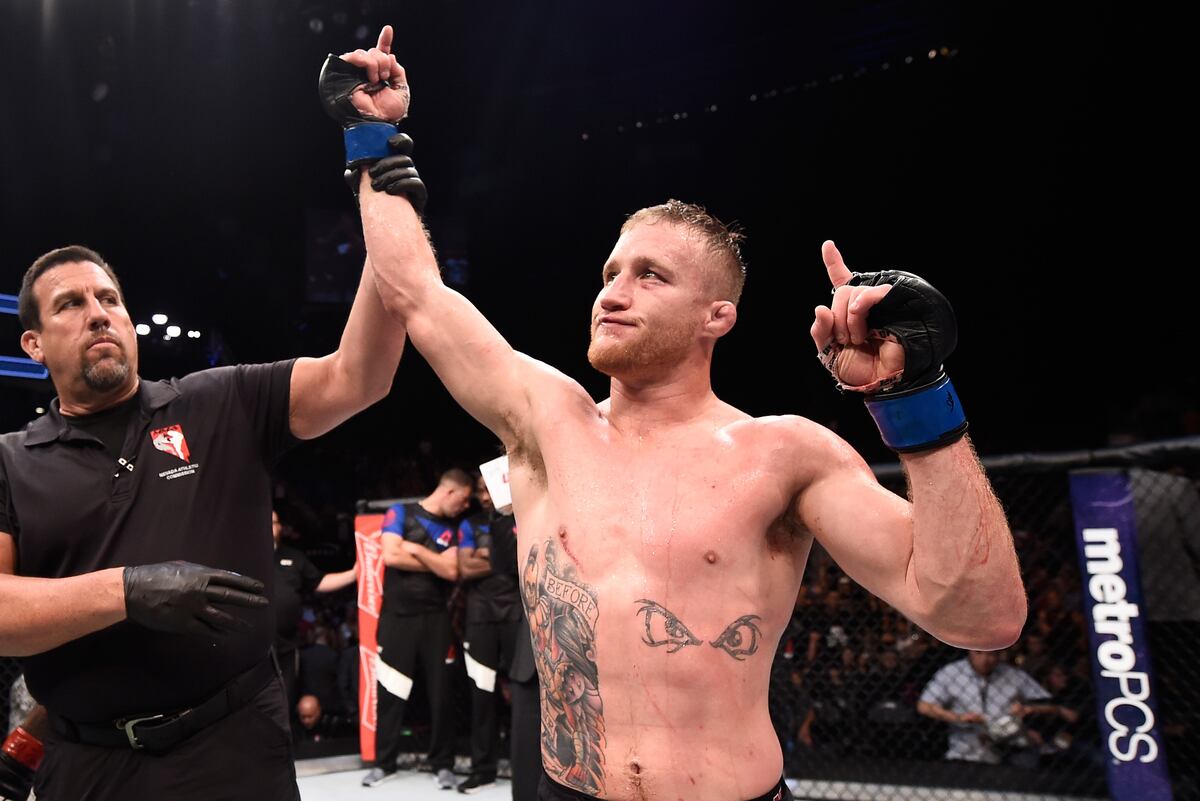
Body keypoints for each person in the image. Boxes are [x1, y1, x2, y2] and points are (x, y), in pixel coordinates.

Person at [323, 29, 1026, 801]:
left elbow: (981, 617)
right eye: (610, 272)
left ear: (717, 315)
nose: (613, 293)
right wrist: (369, 134)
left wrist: (915, 393)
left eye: (650, 275)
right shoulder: (546, 420)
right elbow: (416, 291)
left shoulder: (783, 453)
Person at [0, 143, 409, 801]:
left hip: (234, 746)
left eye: (109, 298)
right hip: (89, 765)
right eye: (70, 304)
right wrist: (130, 590)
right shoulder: (10, 459)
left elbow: (361, 375)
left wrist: (386, 205)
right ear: (33, 344)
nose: (98, 312)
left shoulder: (221, 400)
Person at [363, 468, 472, 789]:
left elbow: (451, 571)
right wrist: (434, 561)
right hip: (397, 616)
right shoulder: (401, 512)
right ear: (450, 492)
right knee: (390, 691)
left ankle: (443, 764)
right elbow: (392, 555)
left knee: (442, 694)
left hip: (436, 618)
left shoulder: (454, 527)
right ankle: (384, 764)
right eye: (464, 499)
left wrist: (417, 549)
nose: (466, 507)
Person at [457, 474, 522, 794]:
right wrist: (502, 558)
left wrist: (488, 556)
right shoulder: (469, 524)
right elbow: (465, 568)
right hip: (480, 615)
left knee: (523, 696)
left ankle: (527, 768)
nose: (484, 496)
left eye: (489, 489)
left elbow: (524, 562)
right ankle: (483, 770)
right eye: (480, 491)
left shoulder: (524, 518)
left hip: (516, 613)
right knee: (481, 694)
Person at [271, 508, 356, 717]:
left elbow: (319, 582)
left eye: (274, 522)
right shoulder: (244, 557)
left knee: (285, 699)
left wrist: (355, 574)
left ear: (281, 527)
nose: (270, 526)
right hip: (254, 645)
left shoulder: (294, 558)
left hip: (287, 644)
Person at [917, 649, 1050, 766]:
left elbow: (1048, 703)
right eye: (978, 653)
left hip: (1008, 751)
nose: (984, 660)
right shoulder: (951, 673)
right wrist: (958, 717)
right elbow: (924, 706)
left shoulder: (1013, 675)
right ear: (969, 650)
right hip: (964, 753)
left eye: (991, 654)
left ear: (1000, 654)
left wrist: (1028, 709)